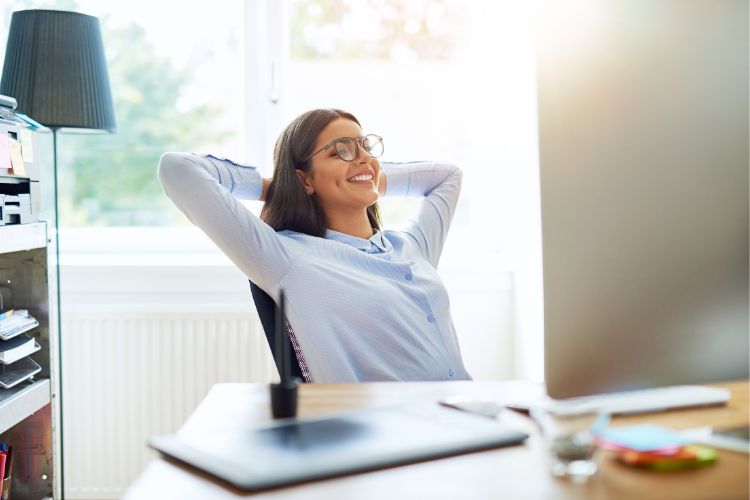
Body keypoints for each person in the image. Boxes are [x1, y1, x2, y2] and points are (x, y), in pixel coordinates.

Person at [158, 108, 471, 382]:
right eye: (341, 152)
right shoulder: (289, 259)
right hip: (389, 433)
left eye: (365, 147)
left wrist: (368, 175)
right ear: (304, 180)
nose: (363, 157)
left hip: (464, 419)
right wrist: (279, 187)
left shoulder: (411, 247)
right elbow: (178, 170)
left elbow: (448, 177)